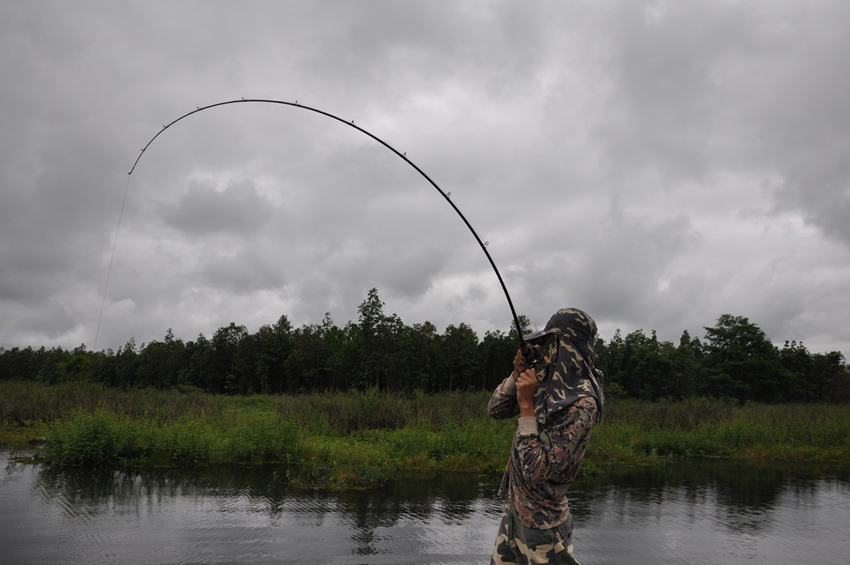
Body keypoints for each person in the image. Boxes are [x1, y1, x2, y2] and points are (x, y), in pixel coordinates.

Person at [488, 308, 605, 565]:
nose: (544, 349)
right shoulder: (545, 380)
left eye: (549, 342)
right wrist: (516, 375)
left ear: (566, 346)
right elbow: (495, 409)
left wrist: (527, 406)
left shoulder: (583, 403)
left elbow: (536, 470)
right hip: (514, 514)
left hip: (543, 526)